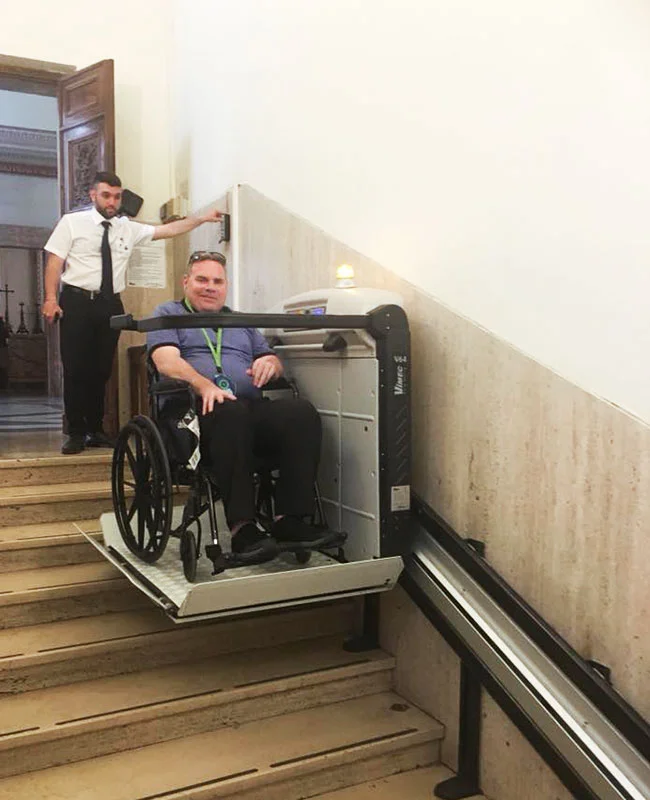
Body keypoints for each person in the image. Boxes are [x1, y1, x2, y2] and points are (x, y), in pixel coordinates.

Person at [147, 250, 339, 564]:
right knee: (230, 412)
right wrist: (204, 385)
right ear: (186, 282)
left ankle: (290, 520)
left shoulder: (241, 322)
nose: (210, 287)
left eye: (217, 281)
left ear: (225, 287)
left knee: (299, 412)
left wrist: (270, 363)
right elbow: (166, 361)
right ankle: (242, 528)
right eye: (202, 279)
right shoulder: (168, 313)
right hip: (193, 414)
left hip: (246, 409)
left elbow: (270, 357)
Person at [43, 171, 223, 455]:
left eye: (116, 196)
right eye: (106, 195)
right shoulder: (72, 223)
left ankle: (95, 429)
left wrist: (200, 218)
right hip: (76, 301)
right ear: (94, 195)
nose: (112, 201)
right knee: (77, 368)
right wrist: (51, 299)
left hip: (110, 304)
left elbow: (167, 230)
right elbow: (55, 262)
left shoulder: (127, 228)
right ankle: (76, 432)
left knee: (102, 370)